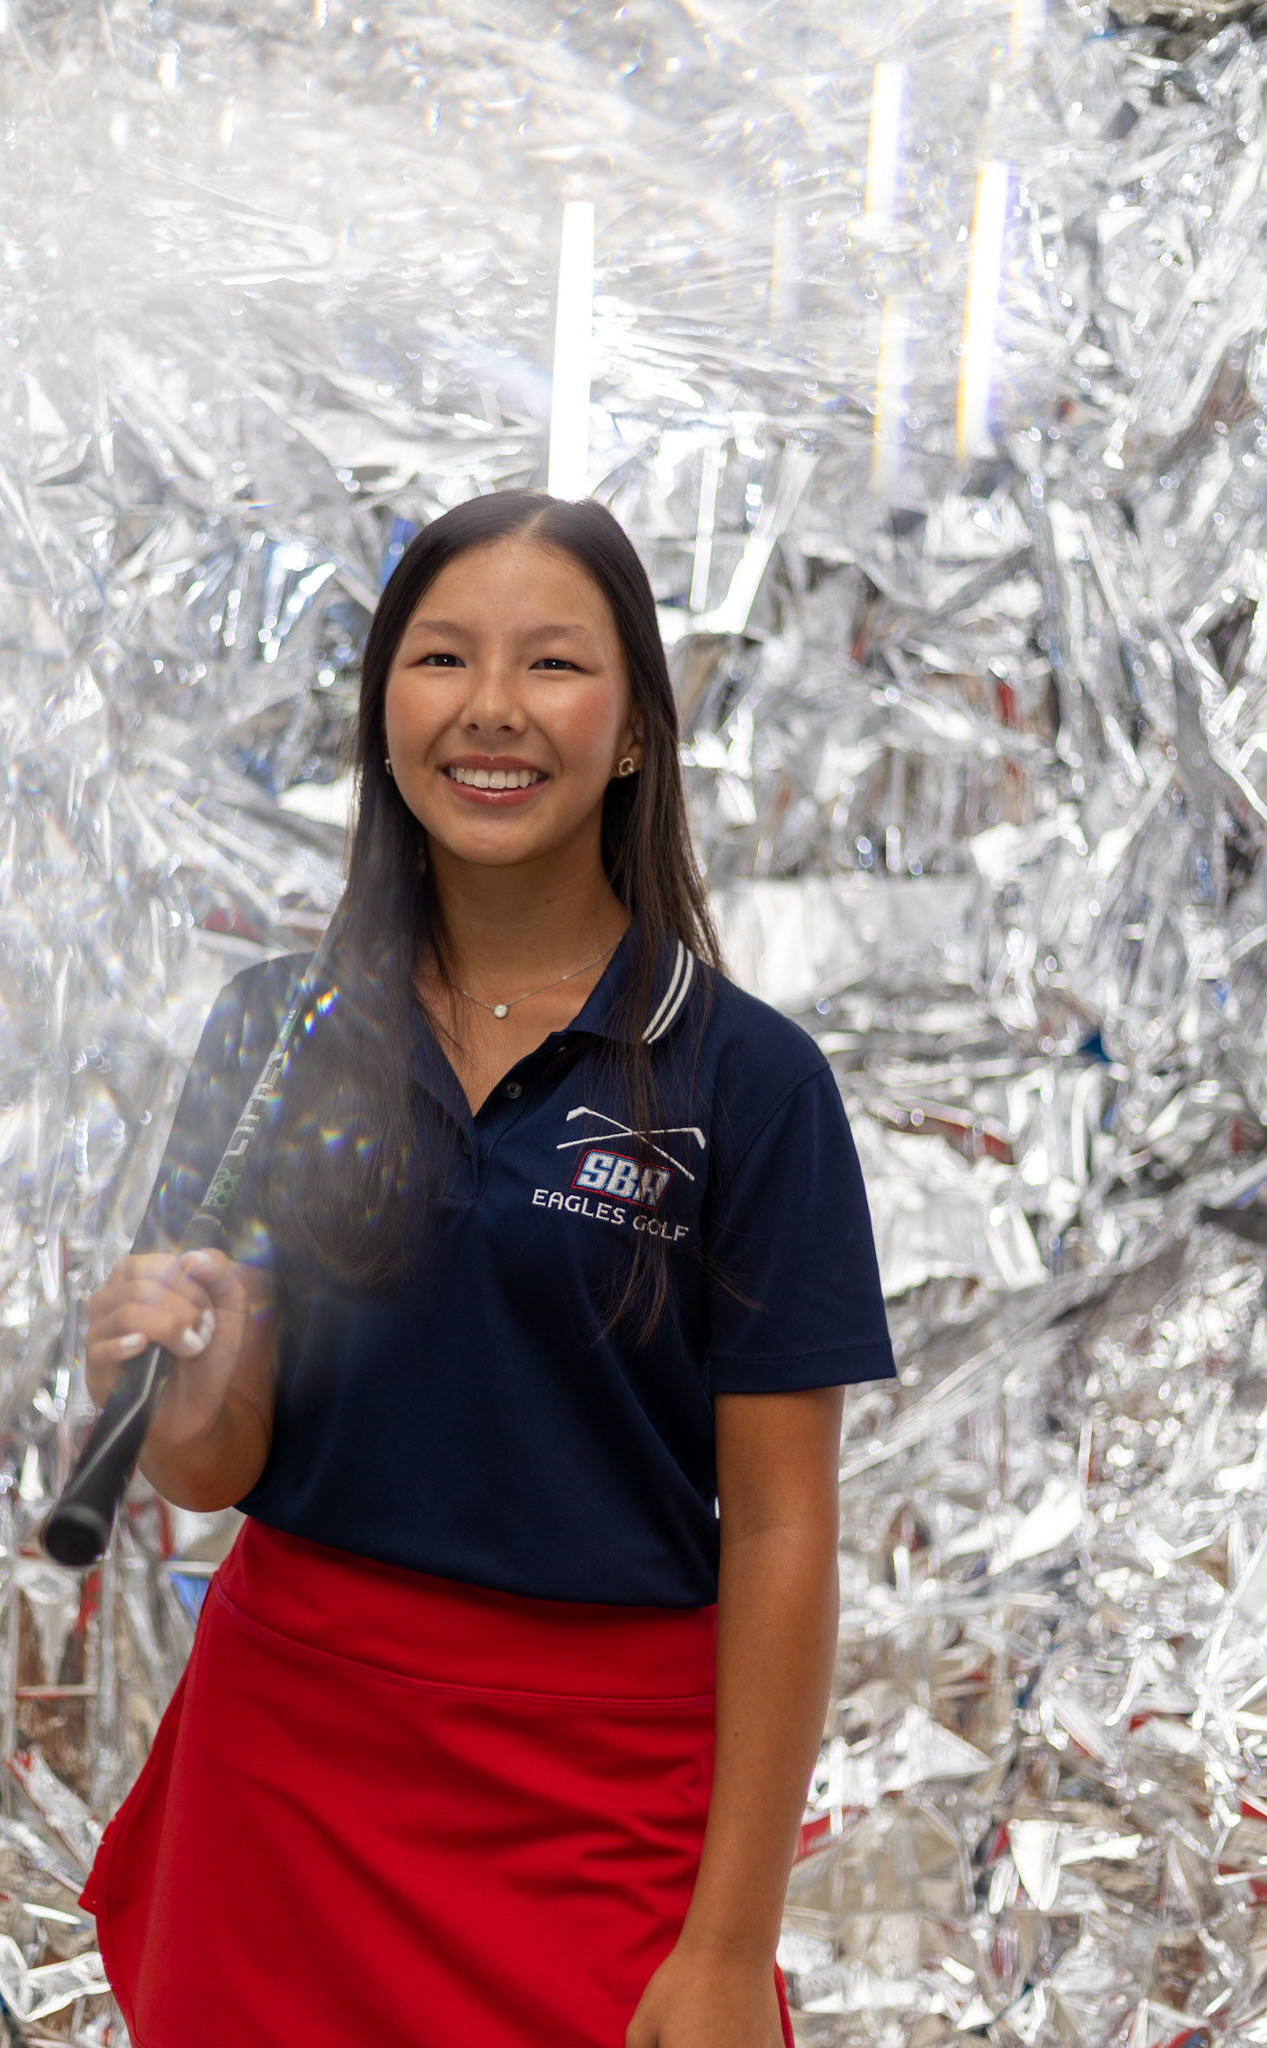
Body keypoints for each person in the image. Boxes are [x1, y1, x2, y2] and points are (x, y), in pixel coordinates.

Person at [77, 491, 895, 2048]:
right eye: (443, 657)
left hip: (598, 1801)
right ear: (389, 709)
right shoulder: (276, 1034)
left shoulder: (750, 1083)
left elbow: (785, 1531)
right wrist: (179, 1370)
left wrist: (731, 1946)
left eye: (554, 665)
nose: (493, 709)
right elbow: (207, 1467)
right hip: (289, 1779)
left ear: (638, 730)